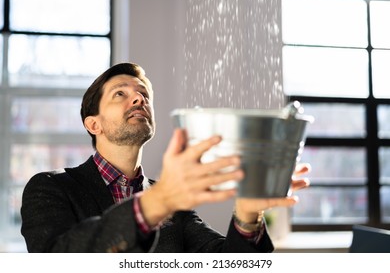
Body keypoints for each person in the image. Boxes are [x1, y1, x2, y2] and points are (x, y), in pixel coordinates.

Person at [20, 62, 310, 253]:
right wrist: (158, 202)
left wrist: (249, 213)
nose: (138, 99)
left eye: (143, 94)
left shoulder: (175, 205)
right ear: (93, 124)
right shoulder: (50, 188)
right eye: (120, 94)